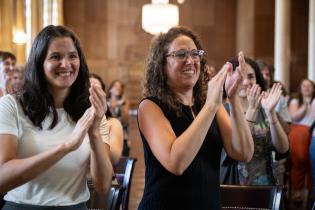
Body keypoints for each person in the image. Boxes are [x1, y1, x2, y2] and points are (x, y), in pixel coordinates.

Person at [137, 26, 254, 210]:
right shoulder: (150, 107)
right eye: (181, 54)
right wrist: (211, 106)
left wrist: (232, 98)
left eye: (194, 53)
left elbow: (244, 152)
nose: (190, 61)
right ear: (162, 65)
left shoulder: (209, 105)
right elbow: (177, 163)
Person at [0, 25, 113, 210]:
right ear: (39, 62)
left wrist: (94, 133)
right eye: (55, 57)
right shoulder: (11, 105)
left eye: (72, 56)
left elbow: (102, 186)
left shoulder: (92, 111)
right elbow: (2, 179)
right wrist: (66, 147)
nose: (66, 64)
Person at [221, 57, 289, 185]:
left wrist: (271, 113)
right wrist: (252, 110)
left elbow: (283, 148)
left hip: (266, 185)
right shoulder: (223, 112)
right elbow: (238, 148)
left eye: (251, 77)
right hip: (236, 186)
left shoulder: (265, 108)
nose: (246, 82)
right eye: (240, 77)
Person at [288, 79, 315, 203]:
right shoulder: (295, 101)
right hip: (299, 132)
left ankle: (311, 192)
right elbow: (294, 117)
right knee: (299, 161)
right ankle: (297, 191)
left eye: (310, 86)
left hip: (312, 132)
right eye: (304, 85)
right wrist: (306, 105)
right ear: (300, 88)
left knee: (311, 163)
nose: (307, 88)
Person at [90, 73, 123, 165]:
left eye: (97, 89)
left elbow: (114, 159)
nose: (91, 93)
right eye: (88, 88)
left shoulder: (113, 123)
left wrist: (95, 130)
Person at [107, 80, 130, 156]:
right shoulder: (105, 102)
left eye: (120, 86)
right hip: (107, 136)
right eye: (116, 86)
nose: (118, 88)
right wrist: (115, 105)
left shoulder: (124, 102)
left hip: (122, 137)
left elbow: (126, 120)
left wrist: (121, 105)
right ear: (110, 89)